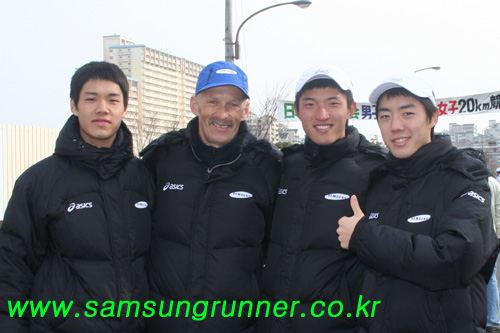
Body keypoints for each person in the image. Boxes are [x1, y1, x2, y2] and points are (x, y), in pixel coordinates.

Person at [0, 61, 155, 331]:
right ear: (74, 105)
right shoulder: (39, 181)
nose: (102, 108)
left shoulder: (143, 176)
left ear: (124, 108)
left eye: (112, 100)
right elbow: (13, 267)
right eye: (91, 99)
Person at [337, 74, 499, 332]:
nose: (396, 126)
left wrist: (363, 235)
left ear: (433, 118)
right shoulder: (378, 181)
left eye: (408, 113)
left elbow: (454, 259)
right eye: (385, 116)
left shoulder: (466, 178)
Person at [140, 61, 282, 332]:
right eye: (213, 102)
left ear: (246, 110)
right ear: (195, 105)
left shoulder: (267, 167)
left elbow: (276, 250)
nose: (223, 114)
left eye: (233, 105)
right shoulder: (161, 159)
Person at [258, 65, 386, 332]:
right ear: (297, 110)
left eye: (332, 103)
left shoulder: (375, 169)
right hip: (273, 321)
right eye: (310, 104)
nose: (322, 115)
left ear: (351, 109)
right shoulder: (284, 165)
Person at [487, 175, 500, 332]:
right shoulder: (493, 182)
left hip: (474, 236)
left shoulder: (462, 178)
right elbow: (498, 208)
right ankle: (493, 320)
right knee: (491, 279)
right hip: (492, 235)